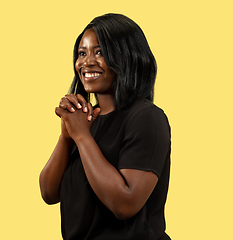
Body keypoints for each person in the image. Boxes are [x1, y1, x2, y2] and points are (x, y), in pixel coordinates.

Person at [39, 13, 171, 240]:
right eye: (82, 53)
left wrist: (81, 136)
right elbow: (49, 193)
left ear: (128, 56)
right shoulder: (86, 121)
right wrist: (66, 136)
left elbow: (126, 203)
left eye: (99, 52)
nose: (86, 62)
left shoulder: (147, 118)